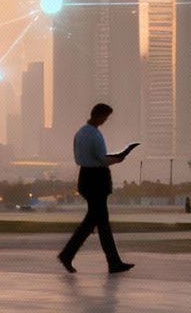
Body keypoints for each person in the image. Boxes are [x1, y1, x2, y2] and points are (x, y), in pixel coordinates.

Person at [57, 102, 134, 275]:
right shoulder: (94, 135)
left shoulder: (81, 133)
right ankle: (111, 262)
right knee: (101, 222)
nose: (106, 120)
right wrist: (119, 158)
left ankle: (69, 255)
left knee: (94, 221)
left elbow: (84, 158)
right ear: (99, 116)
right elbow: (101, 159)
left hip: (86, 177)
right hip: (96, 179)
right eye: (106, 117)